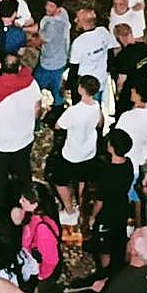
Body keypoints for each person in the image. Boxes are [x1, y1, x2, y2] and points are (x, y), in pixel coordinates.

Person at [0, 53, 42, 216]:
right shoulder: (31, 83)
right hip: (25, 139)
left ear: (0, 67)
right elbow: (36, 111)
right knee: (23, 169)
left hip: (0, 144)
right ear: (19, 67)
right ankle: (29, 199)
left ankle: (6, 207)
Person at [49, 74, 102, 226]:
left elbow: (59, 126)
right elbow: (99, 123)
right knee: (82, 179)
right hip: (89, 151)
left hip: (72, 153)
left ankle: (70, 211)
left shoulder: (74, 111)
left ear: (80, 89)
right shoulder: (96, 105)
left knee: (59, 181)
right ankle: (81, 206)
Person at [89, 129, 134, 274]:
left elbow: (99, 202)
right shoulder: (129, 164)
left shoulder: (106, 174)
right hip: (122, 208)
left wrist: (93, 217)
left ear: (112, 147)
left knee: (105, 248)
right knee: (118, 239)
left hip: (107, 214)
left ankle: (106, 273)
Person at [11, 181, 63, 286]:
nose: (20, 201)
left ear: (35, 204)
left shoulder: (43, 230)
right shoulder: (36, 212)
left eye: (24, 200)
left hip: (39, 268)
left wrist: (41, 276)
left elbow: (51, 260)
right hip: (30, 256)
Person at [69, 9, 117, 103]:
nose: (75, 21)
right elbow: (110, 53)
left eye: (77, 19)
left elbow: (74, 69)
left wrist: (69, 86)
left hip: (85, 86)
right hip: (101, 81)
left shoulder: (79, 42)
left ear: (84, 22)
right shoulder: (103, 31)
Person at [34, 0, 71, 110]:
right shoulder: (63, 14)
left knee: (34, 89)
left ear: (57, 8)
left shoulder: (52, 27)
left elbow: (39, 41)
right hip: (61, 60)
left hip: (48, 64)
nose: (47, 8)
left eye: (51, 6)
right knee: (57, 92)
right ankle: (58, 111)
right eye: (47, 5)